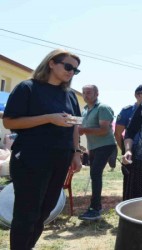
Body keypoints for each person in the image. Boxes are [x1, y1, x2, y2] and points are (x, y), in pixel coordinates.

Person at [2, 49, 83, 250]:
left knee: (45, 211)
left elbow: (74, 125)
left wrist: (76, 153)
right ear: (51, 63)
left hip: (60, 159)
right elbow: (10, 121)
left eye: (75, 70)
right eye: (68, 66)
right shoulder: (27, 88)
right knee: (26, 213)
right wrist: (48, 118)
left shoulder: (70, 96)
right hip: (31, 158)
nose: (71, 72)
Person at [78, 85, 117, 221]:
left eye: (89, 92)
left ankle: (95, 208)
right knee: (94, 175)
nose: (85, 95)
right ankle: (95, 207)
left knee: (95, 174)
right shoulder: (84, 110)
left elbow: (104, 130)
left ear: (97, 93)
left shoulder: (102, 108)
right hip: (94, 147)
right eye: (84, 93)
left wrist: (83, 130)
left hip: (106, 145)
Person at [114, 84, 142, 200]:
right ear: (137, 95)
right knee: (130, 184)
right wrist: (126, 150)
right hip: (133, 151)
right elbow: (118, 133)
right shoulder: (127, 111)